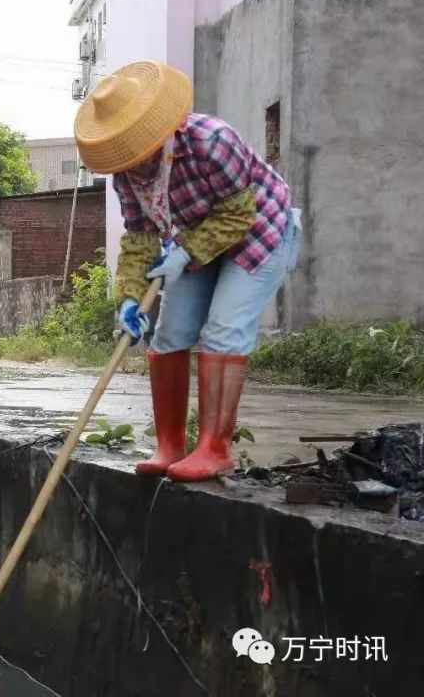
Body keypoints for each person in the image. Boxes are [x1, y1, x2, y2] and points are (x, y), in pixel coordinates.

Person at [74, 60, 300, 483]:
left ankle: (214, 449)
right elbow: (140, 237)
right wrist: (127, 297)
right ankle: (170, 446)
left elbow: (237, 215)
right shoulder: (126, 174)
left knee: (223, 329)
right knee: (169, 333)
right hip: (195, 239)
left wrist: (183, 254)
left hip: (258, 228)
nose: (134, 163)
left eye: (136, 148)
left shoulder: (212, 141)